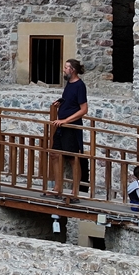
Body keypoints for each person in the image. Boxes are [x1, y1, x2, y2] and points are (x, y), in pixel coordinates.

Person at [49, 59, 90, 197]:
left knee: (73, 158)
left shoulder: (80, 86)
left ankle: (75, 191)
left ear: (73, 70)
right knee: (55, 154)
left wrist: (66, 120)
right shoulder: (69, 84)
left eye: (66, 67)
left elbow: (83, 109)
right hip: (61, 126)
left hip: (71, 126)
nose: (64, 70)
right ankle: (57, 188)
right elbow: (70, 101)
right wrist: (60, 102)